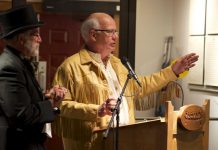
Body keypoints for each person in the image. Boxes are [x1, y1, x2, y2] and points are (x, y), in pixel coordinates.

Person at [52, 12, 199, 150]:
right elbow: (60, 106)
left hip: (124, 140)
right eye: (110, 32)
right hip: (90, 144)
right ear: (93, 34)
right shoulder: (70, 67)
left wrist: (172, 71)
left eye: (116, 32)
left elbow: (140, 87)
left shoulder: (117, 64)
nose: (116, 37)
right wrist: (97, 110)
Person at [0, 5, 67, 150]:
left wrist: (46, 97)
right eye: (35, 34)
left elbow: (24, 101)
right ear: (21, 39)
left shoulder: (18, 61)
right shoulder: (9, 67)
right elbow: (21, 114)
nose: (40, 39)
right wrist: (50, 103)